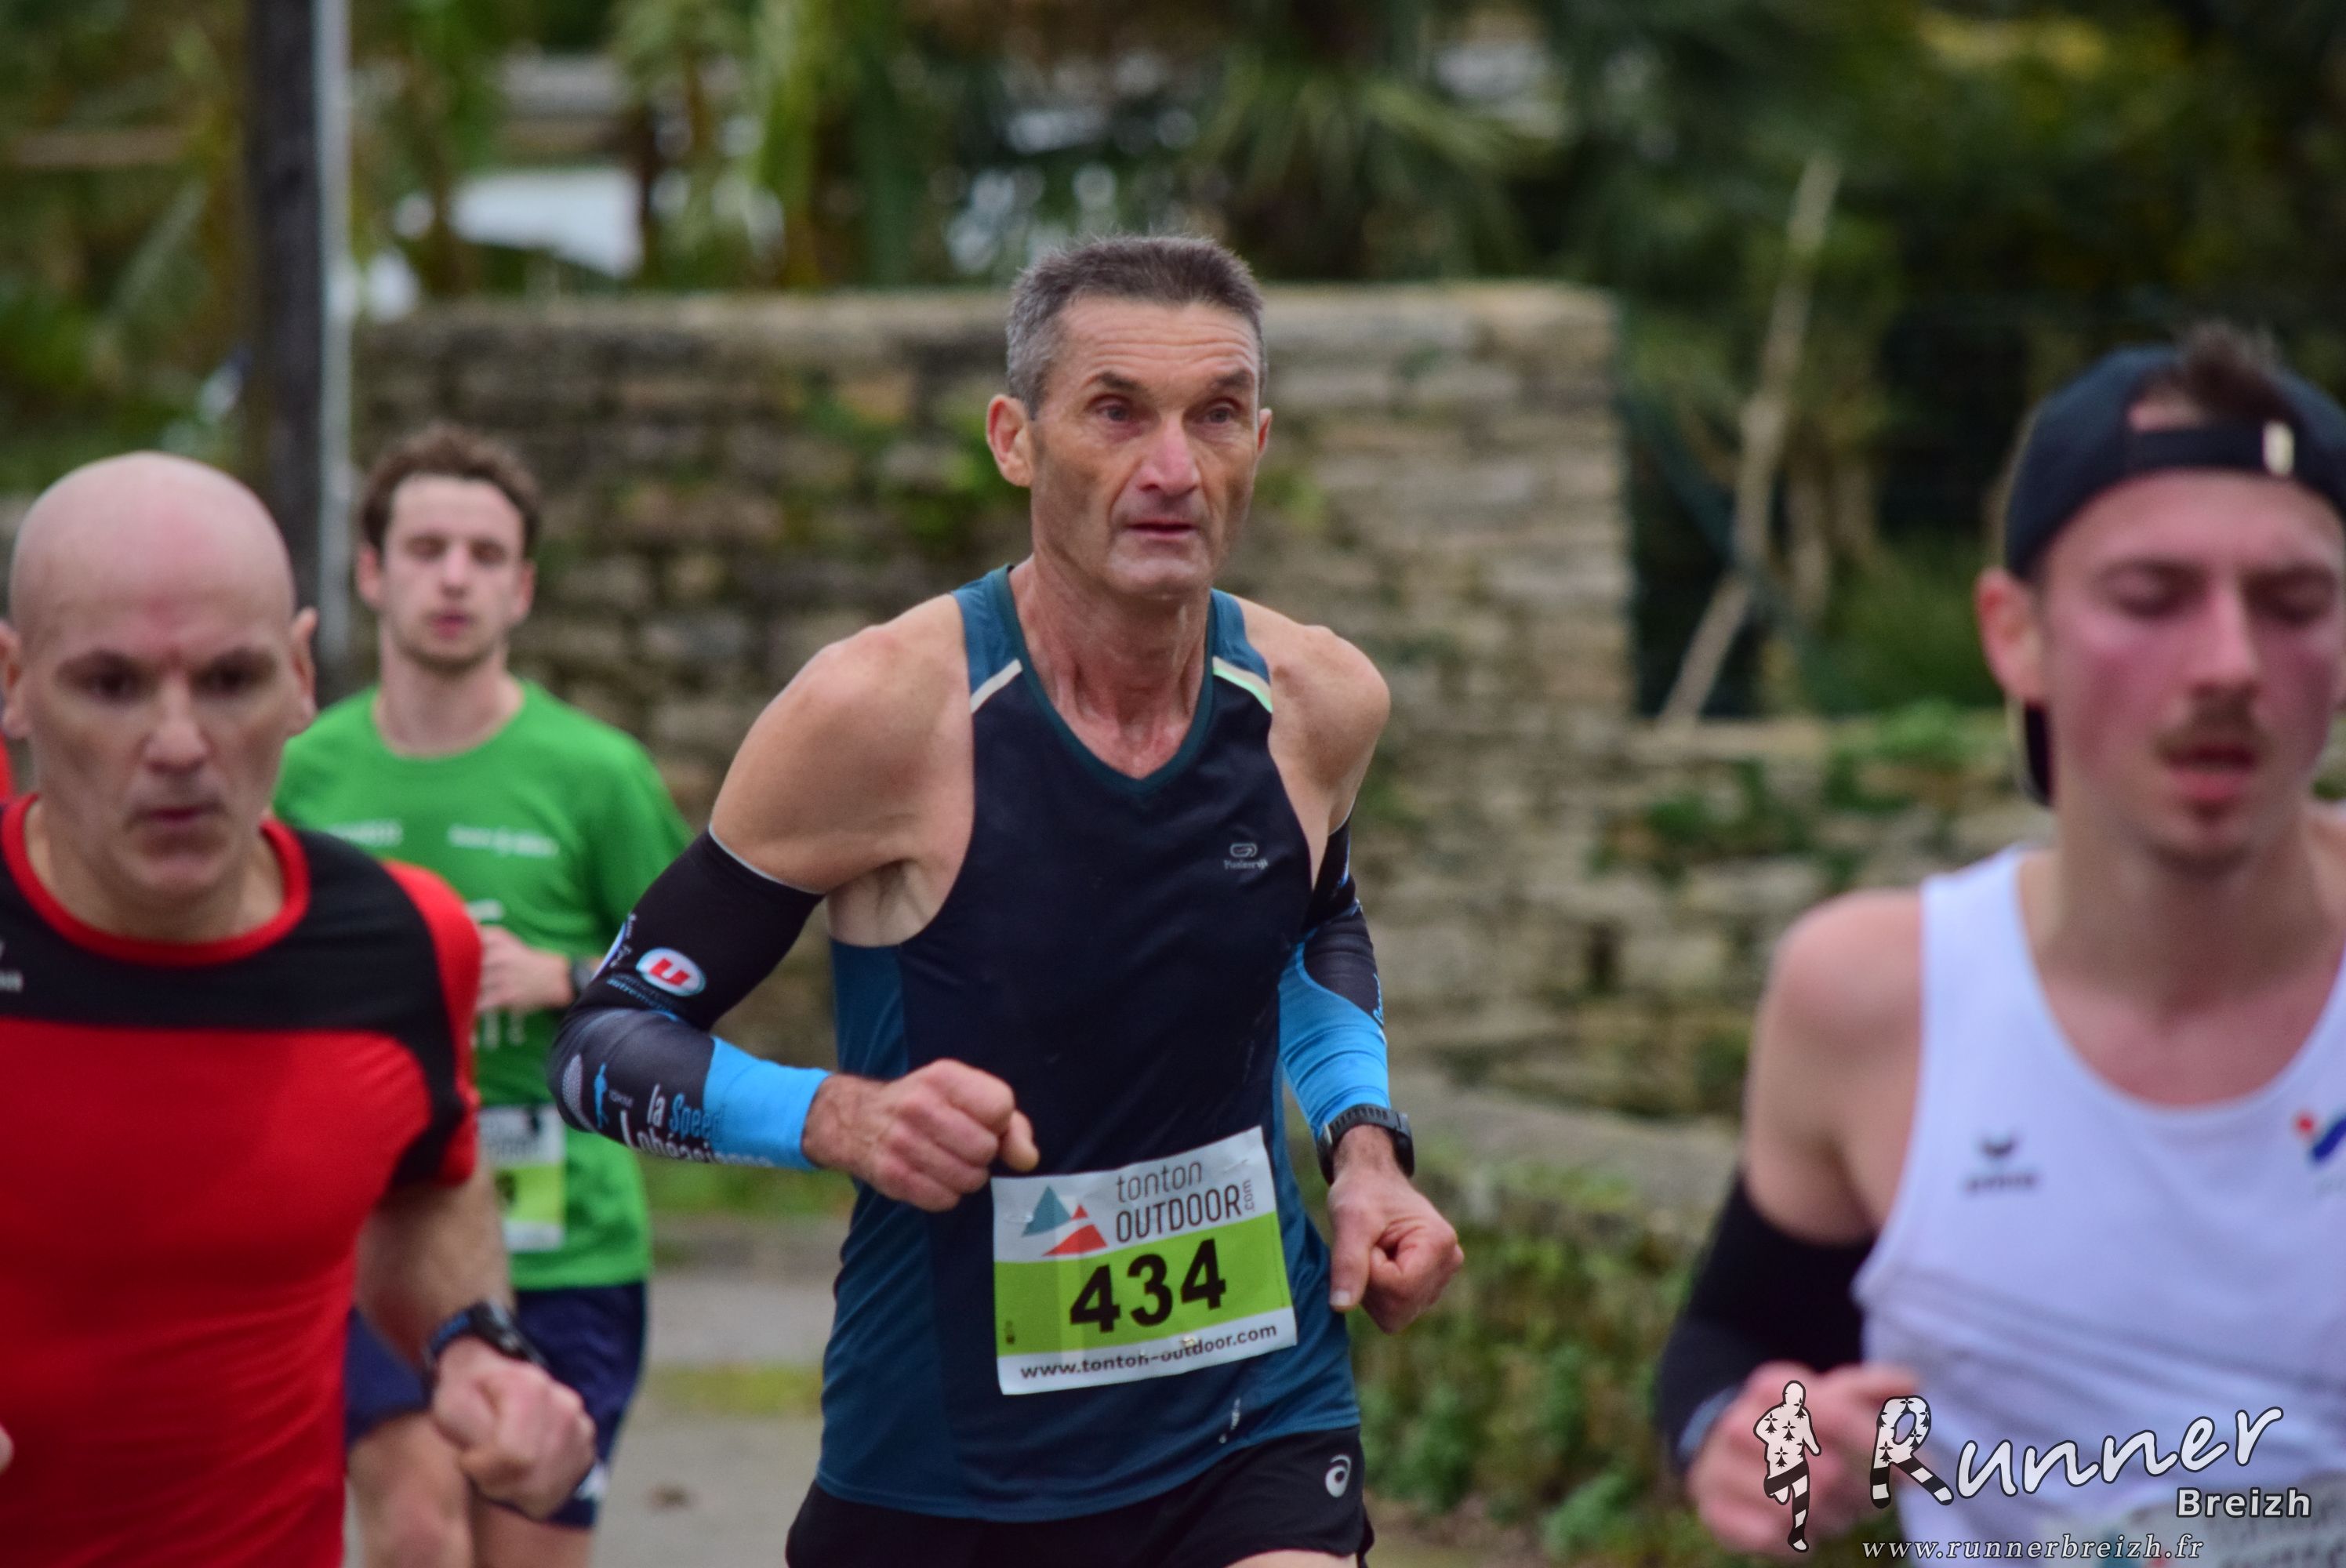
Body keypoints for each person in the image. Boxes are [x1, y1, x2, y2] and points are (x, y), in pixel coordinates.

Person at [546, 234, 1465, 1567]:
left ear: (1259, 443)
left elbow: (1314, 922)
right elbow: (601, 1041)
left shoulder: (1318, 701)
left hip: (1254, 1413)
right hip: (949, 1468)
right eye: (1116, 412)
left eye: (1215, 415)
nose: (1172, 469)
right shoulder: (878, 714)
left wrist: (1366, 1151)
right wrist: (840, 1117)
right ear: (1014, 441)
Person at [1656, 325, 2346, 1558]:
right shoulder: (1875, 997)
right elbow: (1734, 1348)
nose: (2231, 664)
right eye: (2151, 598)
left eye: (2293, 604)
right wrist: (1754, 1438)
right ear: (2015, 633)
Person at [0, 452, 594, 1567]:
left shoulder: (405, 943)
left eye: (231, 680)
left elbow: (429, 1182)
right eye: (111, 685)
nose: (179, 744)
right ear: (16, 682)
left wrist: (474, 1342)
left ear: (301, 675)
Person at [275, 425, 689, 1566]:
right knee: (415, 1527)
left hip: (566, 1246)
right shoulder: (302, 772)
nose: (453, 577)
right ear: (372, 573)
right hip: (370, 1233)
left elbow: (700, 988)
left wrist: (568, 979)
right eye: (426, 549)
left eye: (484, 554)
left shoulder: (598, 775)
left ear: (523, 589)